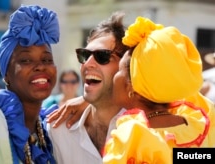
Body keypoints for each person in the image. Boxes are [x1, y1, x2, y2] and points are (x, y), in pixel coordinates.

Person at [46, 12, 171, 164]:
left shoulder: (154, 126)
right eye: (84, 55)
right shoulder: (57, 129)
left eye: (102, 56)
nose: (88, 64)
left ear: (127, 68)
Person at [102, 16, 215, 163]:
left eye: (119, 70)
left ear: (132, 85)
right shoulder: (199, 126)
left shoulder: (132, 135)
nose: (114, 76)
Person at [0, 5, 59, 163]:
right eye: (26, 60)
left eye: (47, 60)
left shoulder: (49, 129)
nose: (41, 66)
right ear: (6, 74)